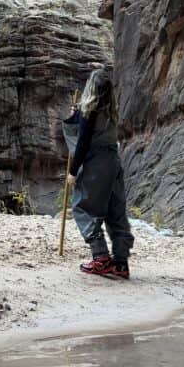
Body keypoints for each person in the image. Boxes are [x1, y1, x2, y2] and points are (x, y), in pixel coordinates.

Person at [64, 67, 134, 280]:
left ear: (91, 88)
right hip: (114, 163)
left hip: (97, 164)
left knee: (84, 208)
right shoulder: (111, 111)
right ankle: (120, 263)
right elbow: (91, 129)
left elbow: (83, 142)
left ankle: (101, 257)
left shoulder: (89, 111)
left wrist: (73, 172)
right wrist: (77, 115)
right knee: (116, 212)